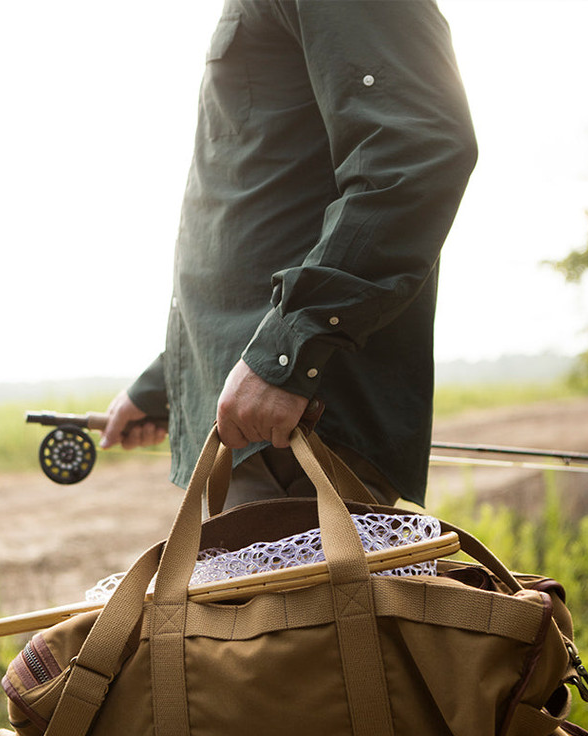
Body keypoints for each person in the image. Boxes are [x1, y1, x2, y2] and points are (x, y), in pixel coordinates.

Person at [100, 0, 476, 509]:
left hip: (301, 429)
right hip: (267, 423)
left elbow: (416, 149)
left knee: (312, 594)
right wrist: (163, 386)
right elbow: (265, 209)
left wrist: (287, 356)